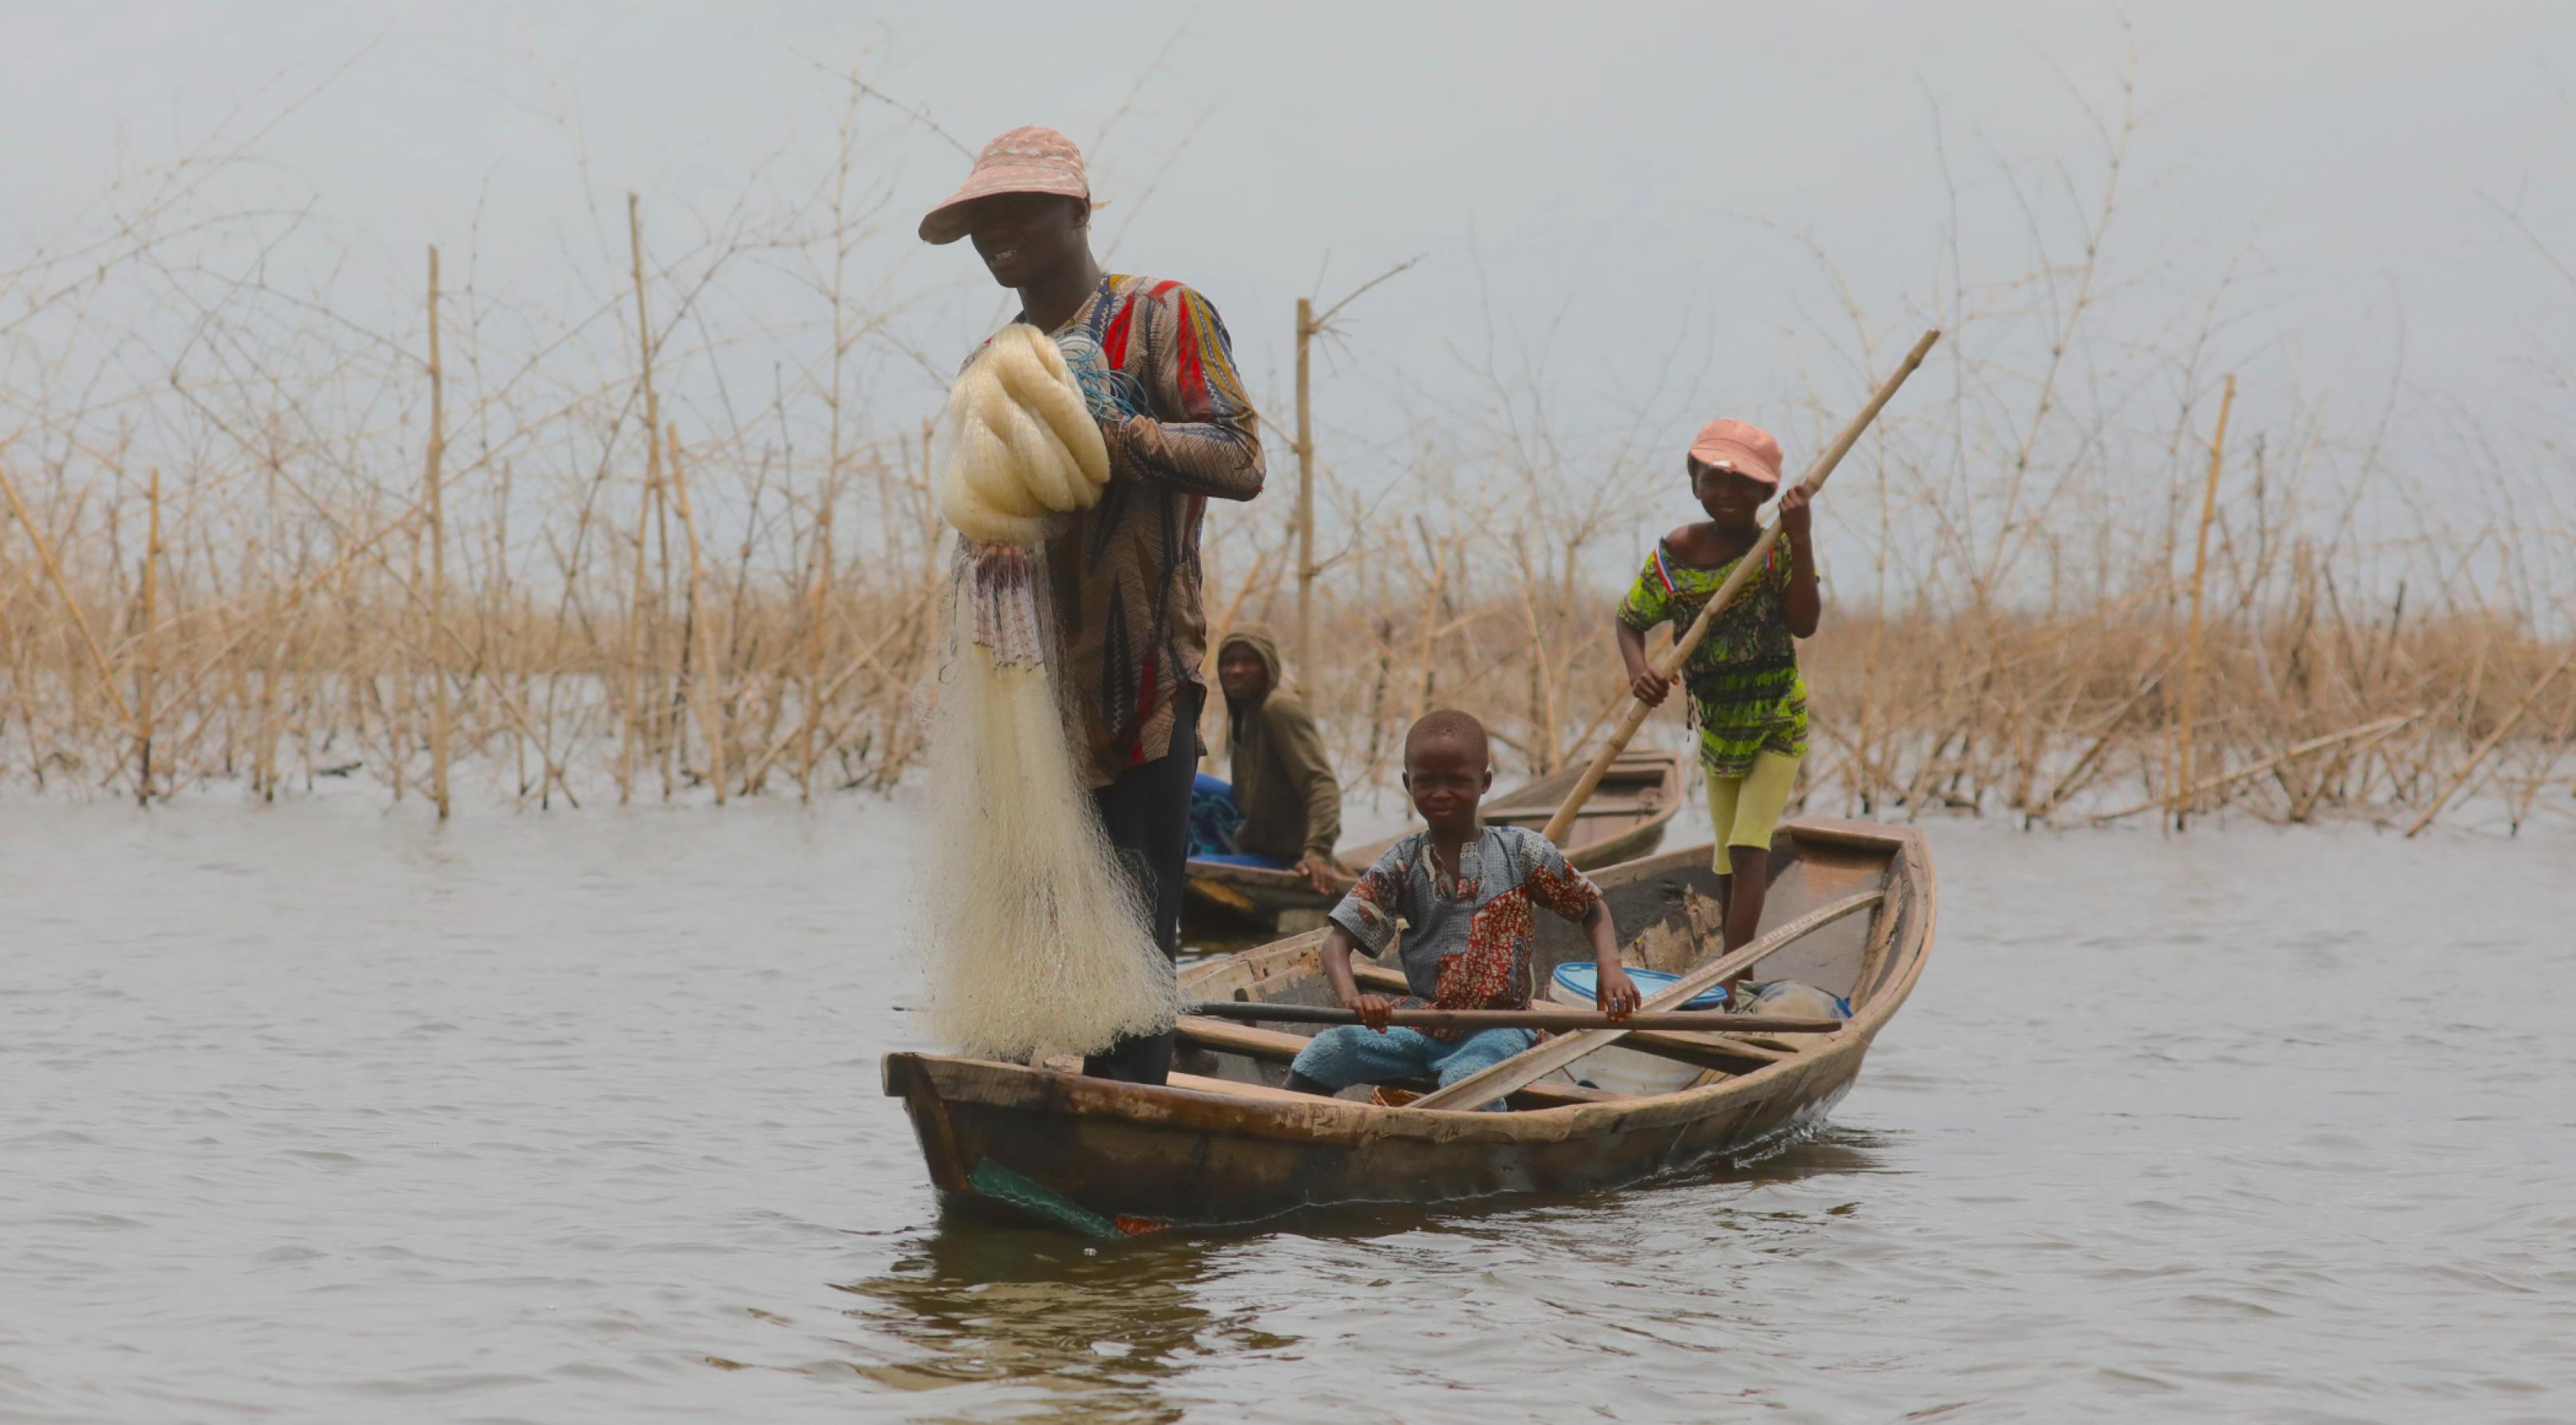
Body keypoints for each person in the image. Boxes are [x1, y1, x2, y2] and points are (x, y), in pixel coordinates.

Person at [921, 126, 1264, 1084]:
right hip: (1025, 697)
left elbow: (1240, 458)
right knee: (1025, 927)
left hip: (1142, 684)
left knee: (1134, 938)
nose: (996, 233)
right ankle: (1013, 1123)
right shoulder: (994, 360)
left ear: (1077, 212)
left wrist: (1106, 430)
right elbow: (981, 512)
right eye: (981, 218)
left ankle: (1136, 1152)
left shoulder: (1162, 316)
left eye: (1017, 210)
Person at [1281, 710, 1642, 1105]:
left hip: (1499, 1027)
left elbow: (1591, 908)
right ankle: (1287, 1128)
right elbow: (1336, 944)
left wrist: (1610, 967)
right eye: (1427, 782)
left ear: (1484, 782)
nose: (1441, 792)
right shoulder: (1402, 861)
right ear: (1407, 784)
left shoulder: (1522, 851)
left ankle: (1486, 1152)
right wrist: (1355, 1000)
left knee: (1467, 1082)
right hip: (1419, 1022)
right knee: (1326, 1052)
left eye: (1456, 781)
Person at [1613, 418, 1819, 989]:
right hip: (1719, 727)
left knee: (1751, 847)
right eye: (1715, 480)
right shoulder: (1677, 552)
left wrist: (1800, 537)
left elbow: (1805, 622)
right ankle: (1742, 970)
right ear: (1694, 481)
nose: (1727, 494)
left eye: (1743, 485)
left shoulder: (1774, 548)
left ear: (1766, 495)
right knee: (1726, 860)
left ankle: (1728, 984)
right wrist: (1641, 673)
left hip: (1777, 718)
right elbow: (1629, 621)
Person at [1189, 627, 1344, 896]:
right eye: (1228, 663)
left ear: (1268, 667)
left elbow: (1322, 785)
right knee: (1186, 784)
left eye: (1248, 662)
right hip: (1255, 831)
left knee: (1189, 869)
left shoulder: (1280, 708)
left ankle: (1208, 862)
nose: (1236, 670)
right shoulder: (1244, 711)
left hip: (1285, 854)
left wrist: (1318, 852)